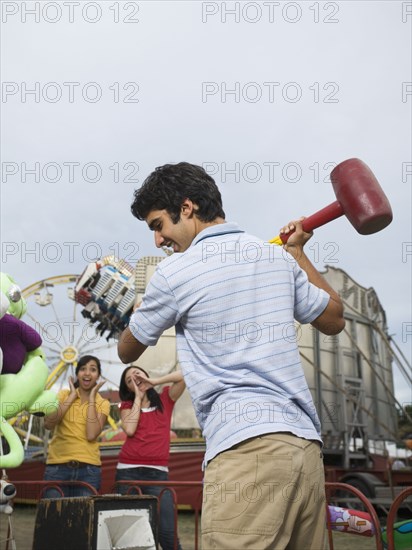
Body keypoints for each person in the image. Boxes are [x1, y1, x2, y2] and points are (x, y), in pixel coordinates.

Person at [117, 162, 345, 550]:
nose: (158, 240)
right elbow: (335, 318)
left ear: (186, 208)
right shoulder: (274, 258)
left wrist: (141, 308)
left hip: (245, 451)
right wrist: (297, 254)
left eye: (158, 225)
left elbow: (127, 349)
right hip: (304, 450)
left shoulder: (175, 273)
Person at [115, 365, 185, 550]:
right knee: (131, 534)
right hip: (128, 473)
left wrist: (155, 382)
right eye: (129, 380)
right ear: (127, 388)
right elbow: (129, 429)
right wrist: (138, 397)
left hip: (157, 475)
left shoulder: (165, 398)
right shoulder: (127, 405)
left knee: (167, 533)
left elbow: (185, 373)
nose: (134, 379)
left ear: (146, 375)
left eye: (137, 374)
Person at [43, 355, 110, 497]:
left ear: (98, 375)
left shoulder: (103, 403)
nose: (87, 373)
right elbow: (48, 423)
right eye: (83, 369)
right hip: (57, 467)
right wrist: (72, 397)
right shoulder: (63, 395)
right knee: (54, 517)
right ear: (77, 374)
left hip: (88, 470)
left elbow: (91, 435)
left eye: (93, 369)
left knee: (83, 518)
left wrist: (92, 398)